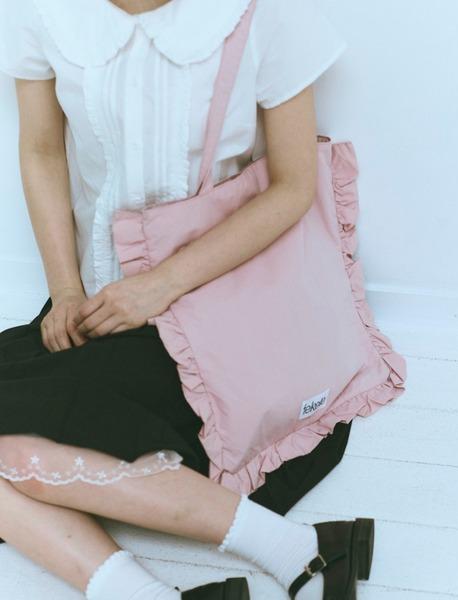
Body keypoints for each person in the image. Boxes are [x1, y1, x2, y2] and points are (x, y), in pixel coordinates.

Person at [0, 1, 370, 599]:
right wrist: (65, 289)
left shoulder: (262, 13)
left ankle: (291, 550)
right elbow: (42, 150)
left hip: (221, 320)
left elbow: (294, 185)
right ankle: (295, 552)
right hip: (99, 309)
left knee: (15, 444)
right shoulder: (45, 11)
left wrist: (160, 286)